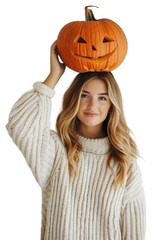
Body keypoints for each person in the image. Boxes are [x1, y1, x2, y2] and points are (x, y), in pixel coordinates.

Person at [6, 40, 146, 240]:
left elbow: (134, 234)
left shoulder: (125, 163)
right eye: (84, 95)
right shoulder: (55, 151)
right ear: (74, 99)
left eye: (102, 98)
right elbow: (18, 124)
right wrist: (53, 76)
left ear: (111, 105)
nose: (92, 105)